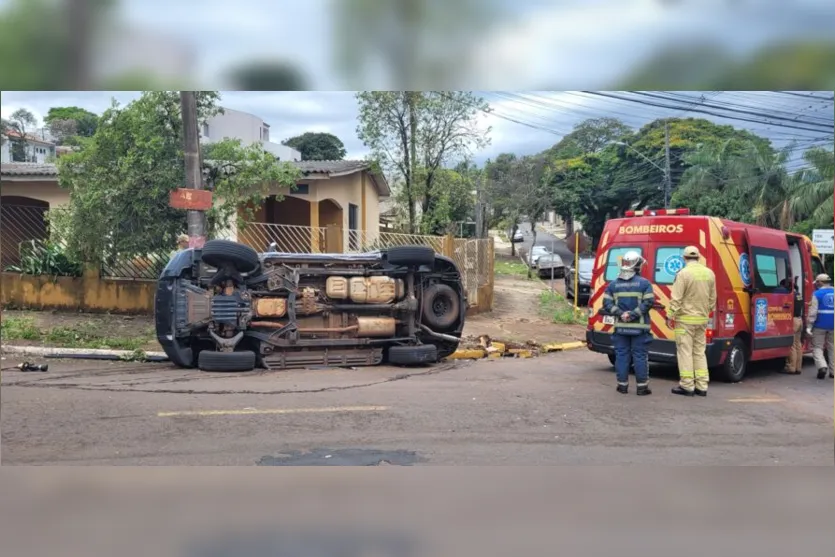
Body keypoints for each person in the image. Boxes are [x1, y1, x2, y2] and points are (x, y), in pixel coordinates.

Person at [602, 250, 655, 396]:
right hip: (639, 329)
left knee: (622, 356)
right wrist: (633, 315)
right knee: (640, 356)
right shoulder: (644, 284)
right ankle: (642, 388)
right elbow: (649, 302)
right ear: (637, 265)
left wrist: (621, 314)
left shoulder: (613, 285)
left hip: (621, 329)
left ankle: (622, 386)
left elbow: (606, 303)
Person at [666, 245, 716, 397]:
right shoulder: (709, 273)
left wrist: (670, 315)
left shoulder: (683, 274)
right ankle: (702, 385)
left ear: (684, 258)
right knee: (699, 352)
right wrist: (705, 312)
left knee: (685, 352)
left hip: (685, 321)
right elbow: (713, 298)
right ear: (699, 257)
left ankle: (687, 385)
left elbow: (677, 299)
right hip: (702, 319)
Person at [806, 273, 834, 380]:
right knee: (832, 347)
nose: (816, 284)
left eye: (817, 282)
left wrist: (809, 325)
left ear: (820, 282)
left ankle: (822, 366)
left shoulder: (817, 294)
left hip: (820, 325)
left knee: (817, 346)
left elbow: (813, 312)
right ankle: (833, 371)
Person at [781, 276, 804, 375]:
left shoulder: (790, 296)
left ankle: (791, 368)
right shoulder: (798, 294)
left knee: (791, 345)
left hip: (793, 320)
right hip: (799, 320)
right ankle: (798, 368)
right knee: (798, 345)